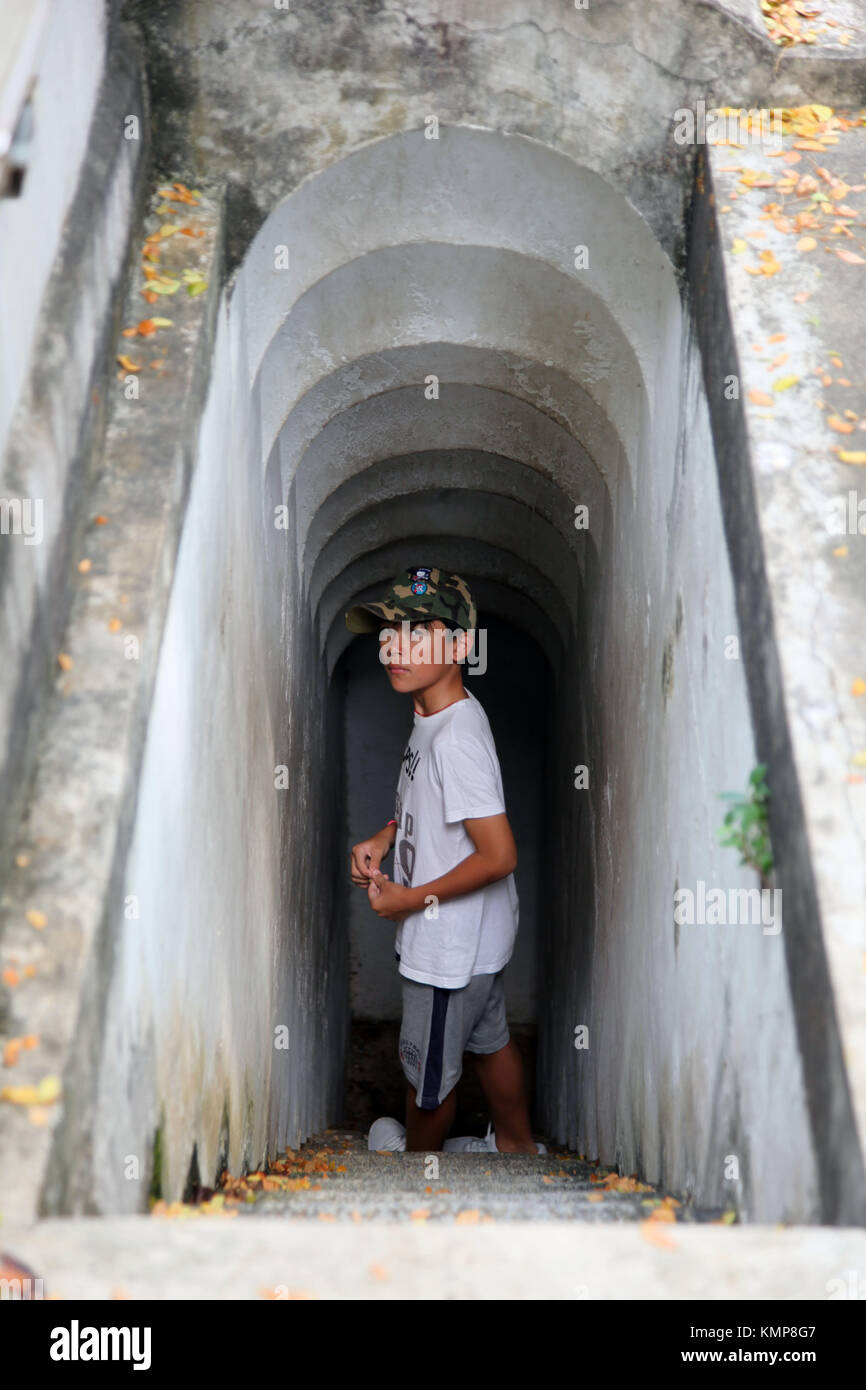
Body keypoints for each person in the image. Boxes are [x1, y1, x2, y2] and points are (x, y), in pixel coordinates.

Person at [346, 565, 546, 1156]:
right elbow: (430, 807)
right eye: (388, 634)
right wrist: (386, 837)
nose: (394, 649)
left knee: (427, 1084)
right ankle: (516, 1150)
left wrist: (411, 899)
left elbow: (499, 853)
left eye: (416, 633)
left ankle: (415, 1180)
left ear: (460, 646)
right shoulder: (436, 716)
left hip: (446, 951)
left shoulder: (455, 740)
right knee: (488, 1042)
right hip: (476, 941)